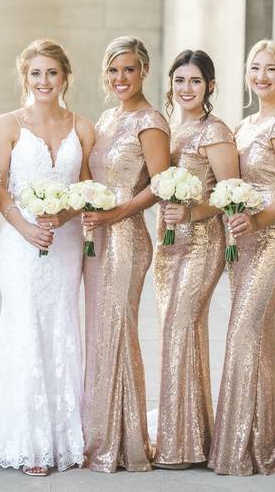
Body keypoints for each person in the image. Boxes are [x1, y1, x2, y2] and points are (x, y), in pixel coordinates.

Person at [0, 39, 96, 476]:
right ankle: (27, 440)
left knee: (60, 323)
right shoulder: (8, 124)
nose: (44, 81)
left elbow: (86, 188)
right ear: (25, 78)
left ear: (65, 77)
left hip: (65, 242)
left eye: (52, 73)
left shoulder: (82, 127)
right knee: (23, 323)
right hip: (20, 241)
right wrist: (23, 226)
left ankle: (62, 434)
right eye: (35, 74)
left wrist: (63, 215)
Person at [209, 40, 275, 475]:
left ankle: (248, 446)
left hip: (274, 239)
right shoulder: (247, 124)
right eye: (255, 67)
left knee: (246, 329)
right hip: (243, 241)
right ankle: (265, 444)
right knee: (260, 335)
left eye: (271, 69)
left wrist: (260, 220)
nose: (262, 76)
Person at [80, 36, 170, 472]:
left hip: (127, 237)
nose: (121, 78)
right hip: (96, 237)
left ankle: (125, 442)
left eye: (129, 69)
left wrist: (116, 212)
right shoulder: (107, 117)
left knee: (118, 330)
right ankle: (101, 430)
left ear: (144, 72)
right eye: (114, 70)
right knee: (101, 332)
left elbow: (159, 184)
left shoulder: (150, 121)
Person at [152, 49, 238, 469]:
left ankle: (181, 444)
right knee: (174, 330)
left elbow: (227, 195)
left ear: (210, 87)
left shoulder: (214, 131)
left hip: (202, 241)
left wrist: (190, 212)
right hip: (167, 243)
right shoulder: (166, 129)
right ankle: (186, 434)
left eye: (195, 82)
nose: (187, 89)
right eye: (180, 80)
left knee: (180, 326)